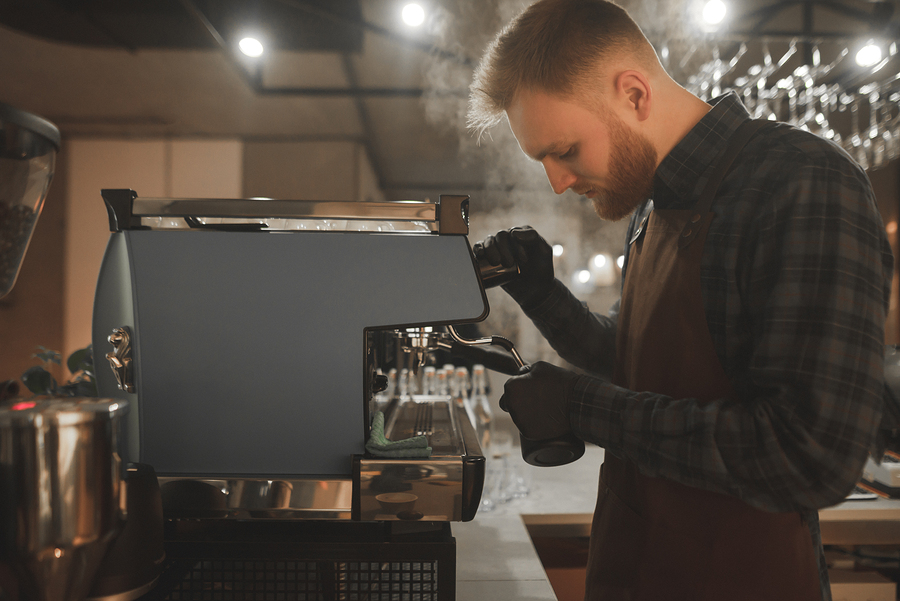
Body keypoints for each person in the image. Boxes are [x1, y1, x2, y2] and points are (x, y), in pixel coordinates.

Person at [466, 1, 894, 599]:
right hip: (638, 569)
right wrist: (541, 293)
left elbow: (809, 455)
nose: (557, 182)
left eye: (563, 151)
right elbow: (637, 357)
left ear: (634, 95)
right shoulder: (651, 201)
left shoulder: (801, 183)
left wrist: (582, 409)